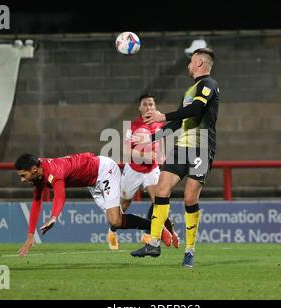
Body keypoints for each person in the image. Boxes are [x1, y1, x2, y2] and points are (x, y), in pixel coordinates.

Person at [130, 48, 219, 268]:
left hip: (201, 147)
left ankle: (189, 251)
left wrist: (163, 116)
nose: (188, 66)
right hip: (181, 147)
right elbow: (179, 121)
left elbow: (197, 110)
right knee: (161, 190)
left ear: (199, 63)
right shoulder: (190, 90)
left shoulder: (209, 84)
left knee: (190, 198)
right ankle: (153, 242)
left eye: (191, 62)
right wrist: (152, 137)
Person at [14, 152, 172, 257]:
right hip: (92, 183)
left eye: (23, 175)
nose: (22, 179)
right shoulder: (40, 174)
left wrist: (54, 216)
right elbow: (36, 202)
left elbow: (60, 195)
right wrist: (30, 236)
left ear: (34, 169)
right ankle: (156, 228)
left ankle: (156, 229)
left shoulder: (53, 171)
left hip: (104, 170)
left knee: (115, 219)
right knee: (116, 220)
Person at [107, 94, 179, 250]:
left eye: (151, 104)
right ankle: (112, 231)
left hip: (151, 170)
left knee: (159, 200)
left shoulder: (159, 124)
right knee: (124, 204)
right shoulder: (132, 126)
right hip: (133, 170)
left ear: (155, 106)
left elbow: (161, 145)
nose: (149, 107)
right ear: (140, 108)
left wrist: (162, 156)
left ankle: (148, 235)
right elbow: (126, 152)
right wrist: (146, 155)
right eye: (145, 104)